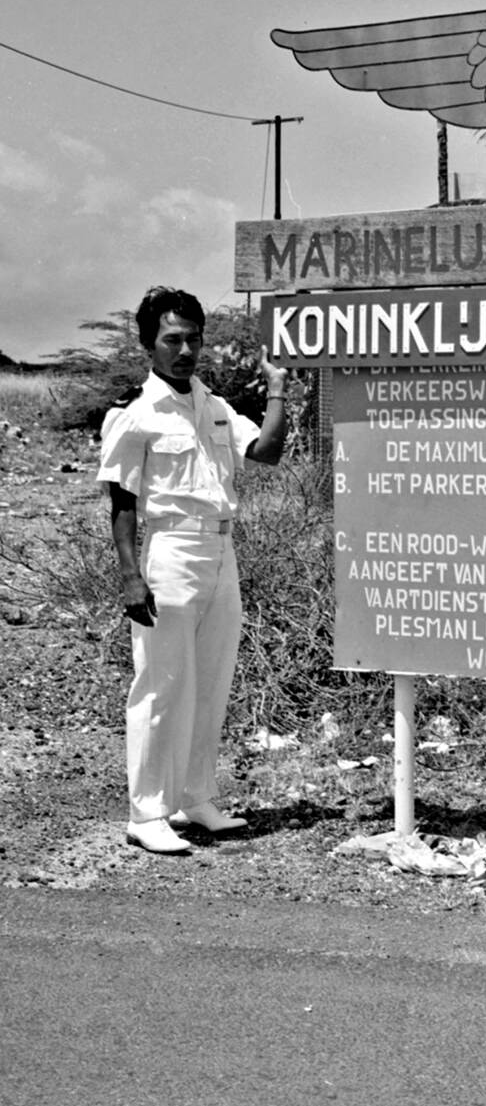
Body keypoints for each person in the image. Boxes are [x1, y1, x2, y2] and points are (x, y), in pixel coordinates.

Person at [97, 287, 289, 854]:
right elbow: (122, 501)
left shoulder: (215, 406)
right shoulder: (135, 412)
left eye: (193, 339)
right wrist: (130, 575)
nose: (184, 351)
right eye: (172, 339)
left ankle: (194, 798)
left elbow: (268, 451)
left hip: (221, 552)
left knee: (210, 681)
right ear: (148, 344)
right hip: (171, 554)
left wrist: (278, 388)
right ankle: (147, 812)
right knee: (161, 686)